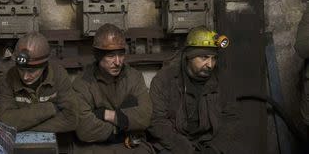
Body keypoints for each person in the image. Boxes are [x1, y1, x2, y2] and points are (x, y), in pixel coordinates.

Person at [148, 26, 241, 154]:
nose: (210, 64)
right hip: (175, 143)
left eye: (213, 58)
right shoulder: (164, 79)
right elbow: (157, 121)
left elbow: (230, 117)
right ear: (189, 57)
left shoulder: (222, 80)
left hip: (209, 141)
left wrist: (214, 149)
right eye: (204, 57)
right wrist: (186, 150)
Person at [73, 23, 153, 153]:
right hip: (96, 147)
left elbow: (146, 116)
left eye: (120, 55)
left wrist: (106, 114)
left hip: (130, 143)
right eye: (110, 56)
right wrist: (124, 125)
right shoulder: (82, 83)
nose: (117, 62)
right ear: (98, 56)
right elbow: (84, 129)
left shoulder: (134, 77)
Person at [0, 31, 78, 133]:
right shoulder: (7, 78)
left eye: (32, 71)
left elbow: (71, 120)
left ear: (44, 65)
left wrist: (22, 126)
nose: (25, 76)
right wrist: (50, 108)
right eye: (21, 69)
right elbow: (5, 121)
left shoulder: (59, 75)